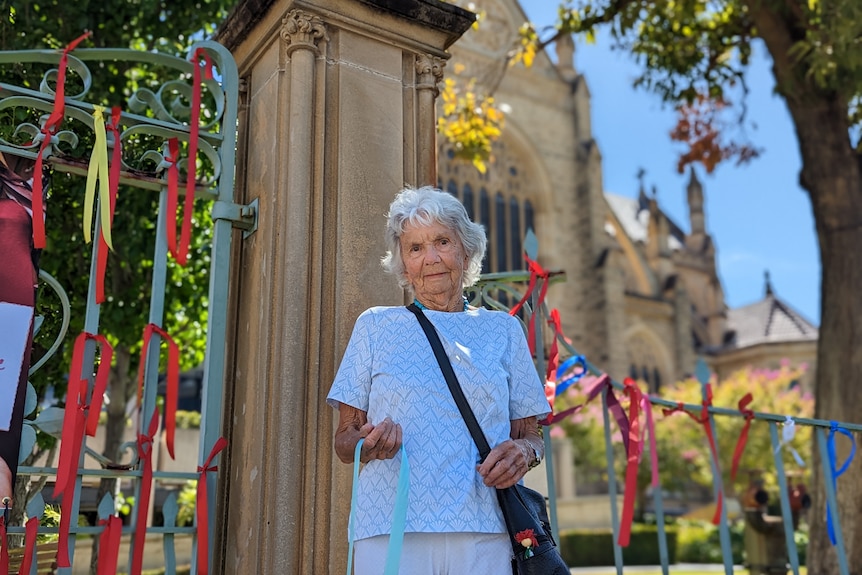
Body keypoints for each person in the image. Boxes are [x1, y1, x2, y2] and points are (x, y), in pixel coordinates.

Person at [327, 186, 549, 574]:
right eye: (415, 248)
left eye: (442, 241)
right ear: (403, 263)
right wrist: (368, 442)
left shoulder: (504, 330)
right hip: (391, 529)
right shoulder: (376, 326)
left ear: (466, 249)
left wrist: (523, 453)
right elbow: (344, 442)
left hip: (485, 529)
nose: (430, 258)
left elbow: (531, 435)